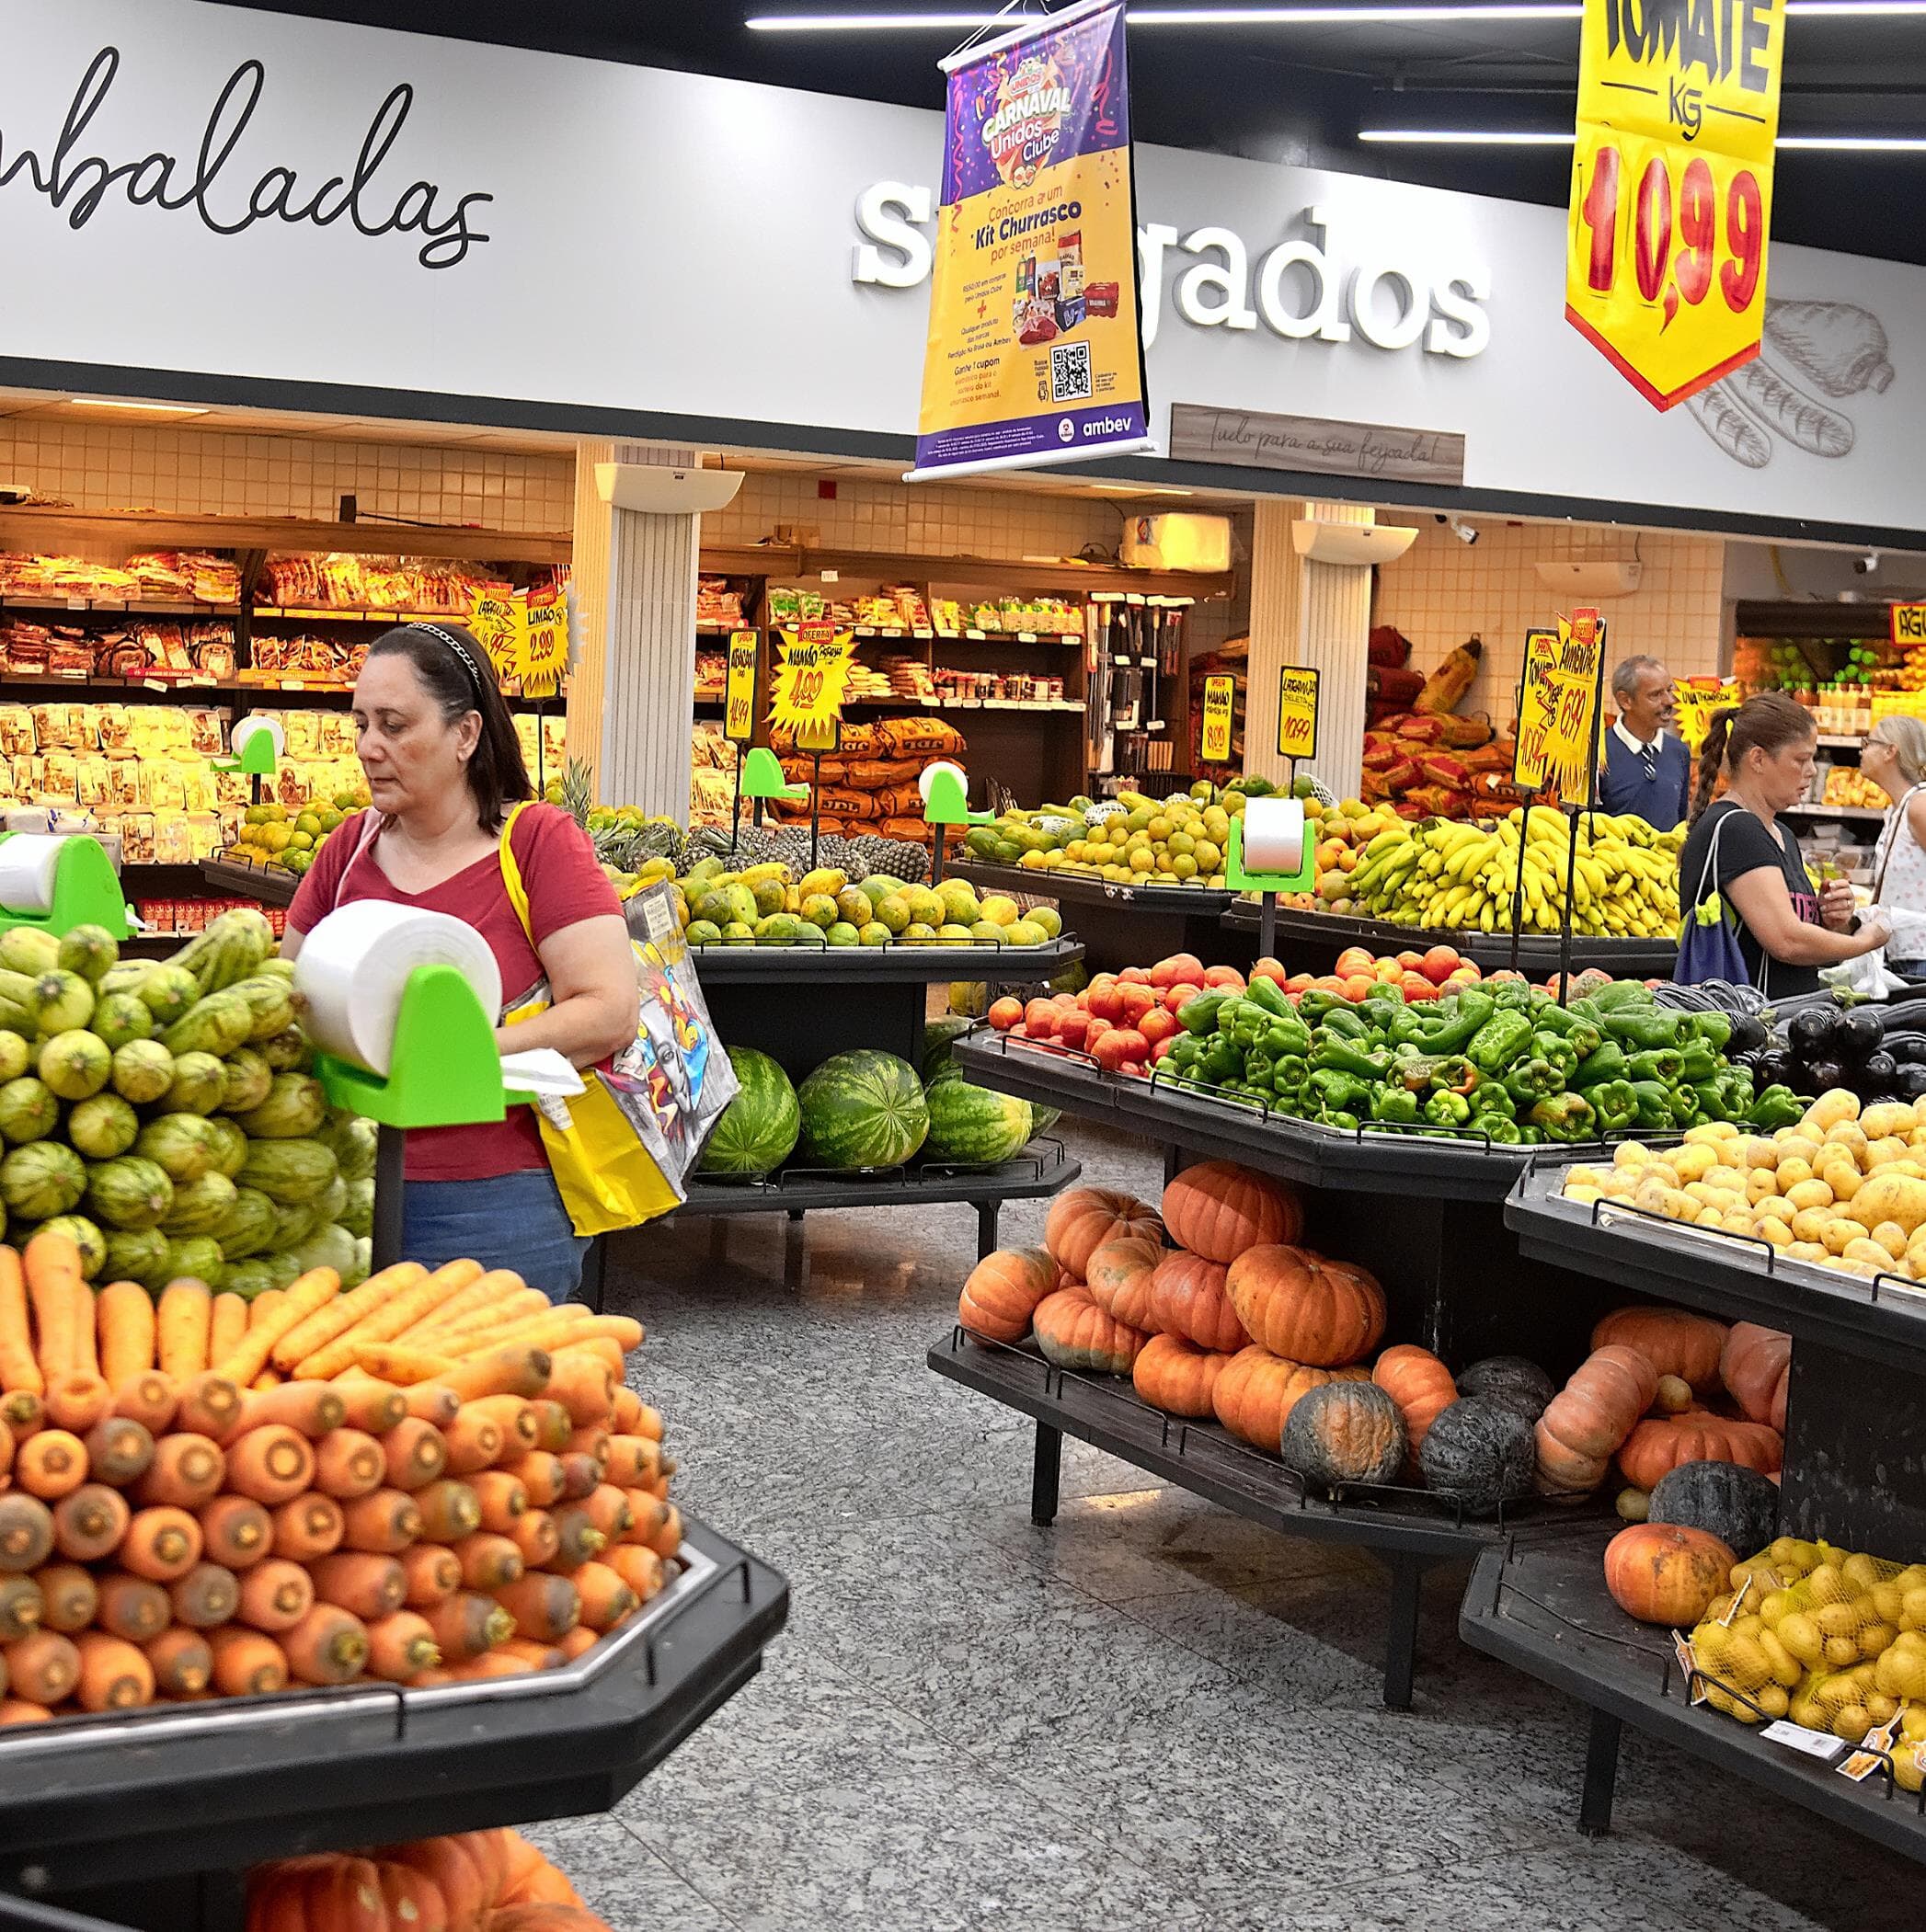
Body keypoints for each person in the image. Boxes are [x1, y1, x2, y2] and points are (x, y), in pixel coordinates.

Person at [283, 623, 639, 1301]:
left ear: (466, 734)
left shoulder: (537, 843)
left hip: (496, 1202)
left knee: (491, 1399)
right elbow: (283, 988)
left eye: (393, 724)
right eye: (361, 725)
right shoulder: (349, 849)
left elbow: (609, 1009)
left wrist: (465, 1050)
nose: (369, 748)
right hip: (348, 1188)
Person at [1678, 692, 1887, 997]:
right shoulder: (1737, 828)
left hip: (1783, 1023)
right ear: (1758, 759)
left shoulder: (1781, 834)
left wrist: (1834, 920)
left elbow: (1792, 928)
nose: (1812, 771)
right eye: (1801, 759)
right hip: (1744, 1027)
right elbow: (1787, 941)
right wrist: (1866, 941)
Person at [1862, 714, 1926, 977]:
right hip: (1902, 954)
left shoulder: (1919, 806)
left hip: (1919, 957)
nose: (1862, 749)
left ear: (1891, 751)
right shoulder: (1897, 810)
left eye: (1868, 743)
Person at [1599, 655, 1691, 829]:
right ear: (1625, 700)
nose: (1669, 701)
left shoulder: (1679, 752)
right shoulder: (1598, 753)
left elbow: (1680, 820)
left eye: (1669, 691)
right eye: (1656, 695)